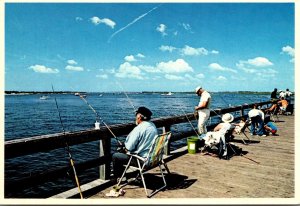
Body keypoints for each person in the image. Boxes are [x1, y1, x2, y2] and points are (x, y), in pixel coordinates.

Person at [112, 106, 158, 180]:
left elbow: (129, 147)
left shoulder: (138, 129)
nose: (135, 117)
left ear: (139, 117)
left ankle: (120, 178)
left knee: (116, 156)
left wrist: (124, 147)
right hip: (155, 159)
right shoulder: (153, 125)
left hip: (144, 161)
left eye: (136, 115)